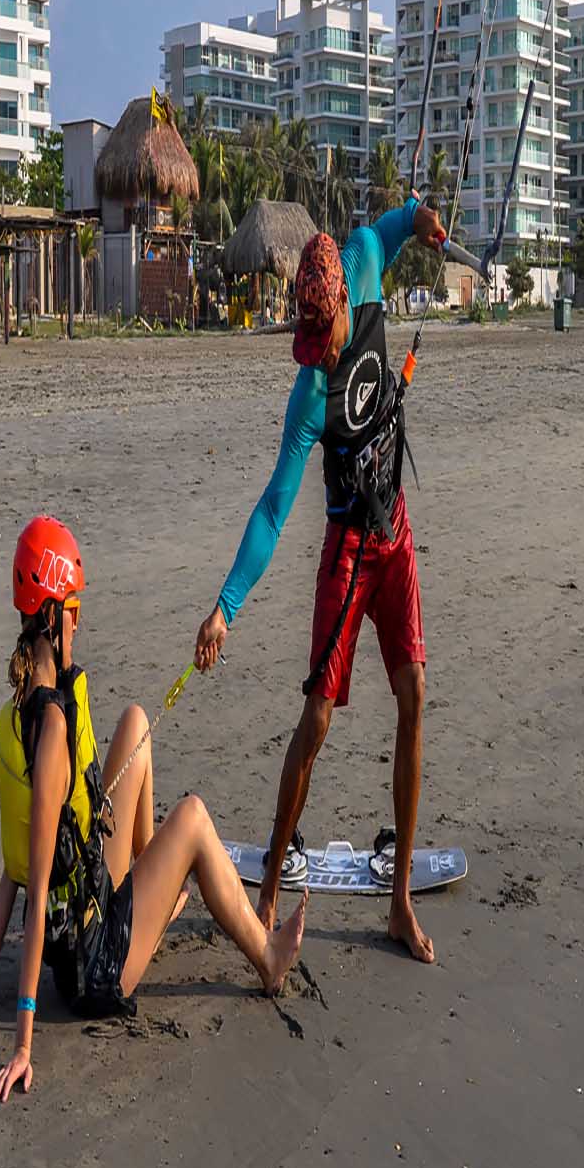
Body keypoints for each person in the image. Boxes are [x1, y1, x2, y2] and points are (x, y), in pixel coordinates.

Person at [0, 515, 307, 1103]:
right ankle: (267, 959)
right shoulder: (53, 731)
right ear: (51, 616)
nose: (80, 619)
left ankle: (150, 891)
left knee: (136, 719)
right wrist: (23, 1045)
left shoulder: (25, 706)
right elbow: (35, 890)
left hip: (90, 900)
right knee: (191, 816)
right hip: (94, 968)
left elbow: (14, 855)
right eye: (75, 607)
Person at [194, 199, 446, 963]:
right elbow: (274, 508)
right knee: (317, 723)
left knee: (414, 696)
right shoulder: (308, 395)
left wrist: (427, 218)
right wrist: (224, 608)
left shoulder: (366, 260)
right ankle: (267, 894)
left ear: (343, 300)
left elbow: (400, 224)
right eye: (304, 341)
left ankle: (398, 899)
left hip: (392, 531)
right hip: (345, 549)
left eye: (322, 336)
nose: (317, 353)